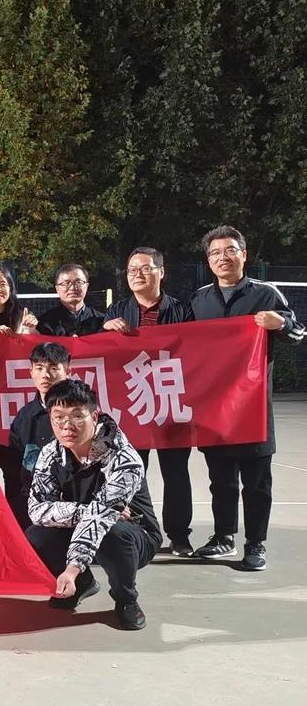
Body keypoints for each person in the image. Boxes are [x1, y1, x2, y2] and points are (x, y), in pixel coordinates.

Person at [189, 225, 304, 570]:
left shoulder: (266, 294)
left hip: (253, 408)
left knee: (256, 482)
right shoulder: (199, 299)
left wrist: (280, 324)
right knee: (221, 481)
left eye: (230, 250)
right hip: (214, 409)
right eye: (215, 252)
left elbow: (298, 332)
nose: (222, 257)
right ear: (208, 260)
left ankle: (256, 544)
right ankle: (223, 537)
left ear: (244, 254)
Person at [25, 379, 162, 630]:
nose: (67, 426)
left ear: (95, 416)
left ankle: (126, 599)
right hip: (84, 525)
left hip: (136, 533)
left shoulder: (123, 457)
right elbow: (37, 509)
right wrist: (87, 511)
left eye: (77, 416)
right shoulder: (50, 453)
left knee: (113, 532)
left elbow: (100, 520)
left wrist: (72, 568)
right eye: (58, 418)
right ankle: (84, 584)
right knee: (37, 534)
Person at [104, 247, 195, 556]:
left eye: (145, 268)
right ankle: (139, 531)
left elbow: (199, 350)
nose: (138, 274)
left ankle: (179, 535)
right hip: (134, 403)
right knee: (132, 471)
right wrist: (104, 331)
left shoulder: (182, 310)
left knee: (176, 473)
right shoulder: (116, 311)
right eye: (132, 270)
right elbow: (100, 355)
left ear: (161, 272)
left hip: (171, 402)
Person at [0, 342, 71, 529]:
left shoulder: (81, 412)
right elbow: (14, 466)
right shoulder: (25, 417)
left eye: (53, 368)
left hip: (72, 502)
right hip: (32, 504)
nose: (45, 375)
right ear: (31, 372)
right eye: (39, 368)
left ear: (67, 372)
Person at [37, 264, 107, 336]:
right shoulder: (44, 323)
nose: (72, 288)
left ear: (87, 286)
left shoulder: (102, 321)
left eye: (78, 282)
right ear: (57, 289)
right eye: (66, 283)